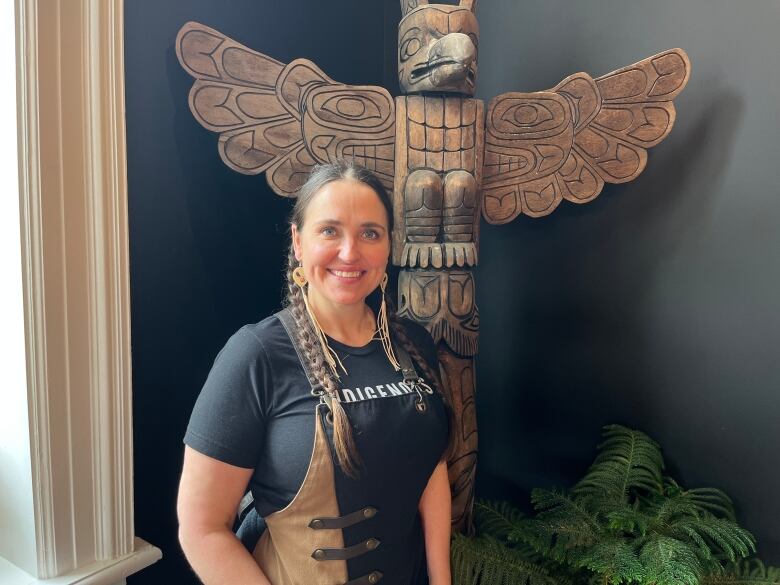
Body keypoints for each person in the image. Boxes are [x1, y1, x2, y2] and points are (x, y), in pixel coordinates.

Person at [177, 160, 454, 585]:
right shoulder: (256, 355)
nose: (350, 251)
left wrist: (441, 580)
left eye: (370, 233)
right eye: (329, 230)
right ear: (298, 242)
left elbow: (430, 467)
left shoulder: (413, 344)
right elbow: (202, 528)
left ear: (389, 246)